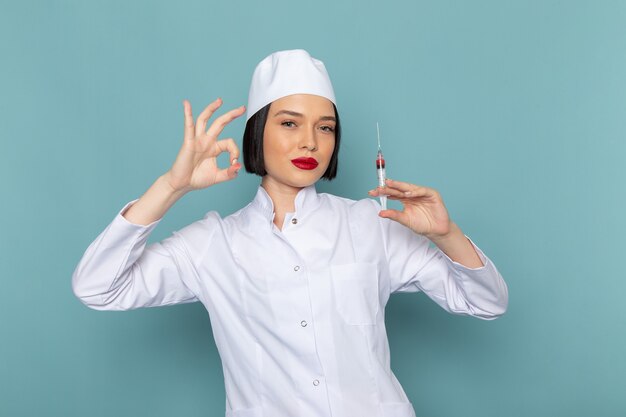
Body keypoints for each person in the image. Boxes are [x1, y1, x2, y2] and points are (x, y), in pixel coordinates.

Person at [72, 49, 508, 417]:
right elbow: (97, 287)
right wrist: (172, 186)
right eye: (289, 123)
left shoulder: (372, 226)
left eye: (325, 127)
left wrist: (446, 235)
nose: (310, 143)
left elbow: (488, 303)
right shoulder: (212, 245)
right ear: (258, 133)